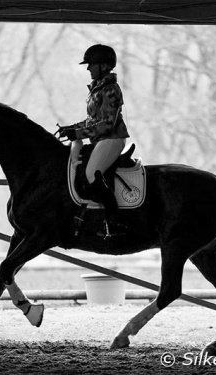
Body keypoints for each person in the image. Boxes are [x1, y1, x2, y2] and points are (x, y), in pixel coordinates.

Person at [60, 44, 130, 237]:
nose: (88, 68)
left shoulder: (110, 90)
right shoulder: (97, 89)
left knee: (92, 174)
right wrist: (73, 129)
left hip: (112, 139)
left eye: (91, 64)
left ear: (104, 66)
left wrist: (79, 134)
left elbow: (107, 123)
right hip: (100, 139)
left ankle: (114, 222)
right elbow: (93, 120)